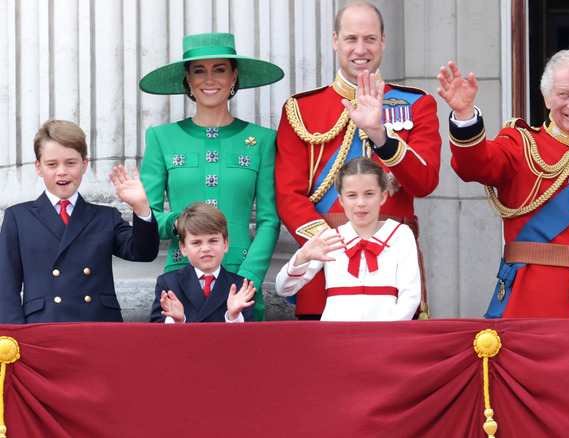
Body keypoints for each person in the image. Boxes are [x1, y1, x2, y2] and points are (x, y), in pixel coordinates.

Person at [438, 50, 569, 319]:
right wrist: (465, 115)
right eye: (563, 94)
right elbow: (475, 165)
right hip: (526, 309)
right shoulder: (520, 144)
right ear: (547, 97)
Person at [275, 1, 440, 319]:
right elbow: (288, 195)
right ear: (335, 41)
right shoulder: (301, 109)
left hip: (392, 268)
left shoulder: (417, 104)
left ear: (383, 41)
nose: (360, 49)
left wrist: (381, 137)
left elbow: (425, 181)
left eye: (370, 39)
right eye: (351, 39)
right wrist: (331, 246)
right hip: (326, 270)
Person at [139, 32, 283, 321]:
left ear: (234, 76)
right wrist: (178, 222)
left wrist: (248, 277)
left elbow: (269, 220)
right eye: (199, 71)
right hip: (181, 278)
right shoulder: (160, 138)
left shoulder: (263, 140)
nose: (209, 79)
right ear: (188, 79)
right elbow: (147, 216)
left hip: (242, 282)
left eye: (219, 69)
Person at [0, 119, 160, 323]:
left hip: (97, 326)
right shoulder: (18, 217)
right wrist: (14, 337)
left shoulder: (105, 217)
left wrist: (141, 207)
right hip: (43, 327)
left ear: (84, 165)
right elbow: (6, 285)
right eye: (52, 164)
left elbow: (143, 253)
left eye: (70, 162)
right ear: (38, 167)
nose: (62, 171)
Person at [276, 157, 421, 321]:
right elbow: (284, 289)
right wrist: (302, 256)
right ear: (341, 200)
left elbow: (410, 296)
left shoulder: (401, 234)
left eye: (369, 194)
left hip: (386, 338)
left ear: (383, 196)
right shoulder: (330, 238)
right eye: (352, 195)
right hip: (335, 338)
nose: (361, 203)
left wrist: (387, 335)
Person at [150, 202, 255, 323]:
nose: (205, 248)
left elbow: (248, 338)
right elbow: (155, 334)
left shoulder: (241, 286)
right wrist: (177, 321)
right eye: (196, 243)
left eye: (213, 241)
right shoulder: (168, 284)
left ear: (225, 244)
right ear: (183, 248)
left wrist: (234, 317)